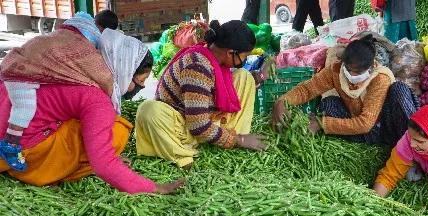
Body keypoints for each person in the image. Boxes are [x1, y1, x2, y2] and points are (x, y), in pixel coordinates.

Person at [0, 29, 184, 194]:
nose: (142, 86)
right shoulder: (97, 100)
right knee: (117, 131)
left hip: (8, 119)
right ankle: (42, 173)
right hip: (22, 149)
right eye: (140, 79)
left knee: (86, 123)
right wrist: (154, 187)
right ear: (126, 70)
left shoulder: (80, 68)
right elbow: (103, 165)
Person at [135, 20, 267, 170]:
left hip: (207, 117)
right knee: (149, 110)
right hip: (184, 126)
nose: (242, 62)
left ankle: (228, 137)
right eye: (243, 59)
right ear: (230, 53)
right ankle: (183, 155)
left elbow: (218, 89)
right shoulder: (197, 67)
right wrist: (237, 139)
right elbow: (197, 125)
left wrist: (260, 76)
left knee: (244, 77)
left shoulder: (212, 55)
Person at [0, 11, 118, 172]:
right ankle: (10, 144)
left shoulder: (68, 32)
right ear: (104, 31)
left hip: (22, 66)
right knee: (24, 108)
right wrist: (113, 94)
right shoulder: (86, 43)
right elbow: (102, 75)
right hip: (20, 72)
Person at [272, 34, 419, 146]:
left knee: (400, 89)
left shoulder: (379, 78)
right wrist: (283, 101)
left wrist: (322, 123)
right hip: (364, 131)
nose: (352, 76)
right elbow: (309, 88)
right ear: (344, 63)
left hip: (387, 127)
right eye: (349, 70)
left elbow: (365, 123)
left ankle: (408, 146)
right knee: (329, 103)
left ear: (371, 67)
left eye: (358, 72)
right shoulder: (337, 70)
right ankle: (363, 139)